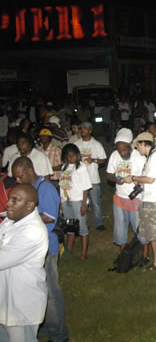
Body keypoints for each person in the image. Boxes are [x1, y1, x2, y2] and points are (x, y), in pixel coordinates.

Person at [11, 158, 69, 342]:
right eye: (15, 178)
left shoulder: (45, 188)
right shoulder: (29, 189)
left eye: (20, 177)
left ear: (29, 170)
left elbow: (50, 217)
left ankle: (59, 334)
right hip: (31, 249)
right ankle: (45, 325)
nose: (17, 181)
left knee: (51, 293)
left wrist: (22, 214)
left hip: (46, 249)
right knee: (37, 291)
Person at [0, 184, 48, 342]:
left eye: (15, 200)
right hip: (5, 300)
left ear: (30, 205)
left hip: (21, 306)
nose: (8, 203)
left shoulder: (32, 231)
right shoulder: (11, 220)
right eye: (10, 198)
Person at [125, 132, 156, 278]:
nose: (136, 149)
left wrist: (134, 177)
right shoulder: (150, 158)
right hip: (146, 199)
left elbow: (151, 179)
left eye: (137, 146)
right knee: (150, 233)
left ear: (143, 143)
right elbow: (148, 178)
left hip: (155, 200)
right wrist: (138, 180)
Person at [106, 128, 149, 259]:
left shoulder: (139, 157)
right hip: (119, 198)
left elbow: (146, 177)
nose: (122, 152)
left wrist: (136, 181)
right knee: (120, 229)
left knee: (140, 228)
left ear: (131, 144)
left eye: (124, 149)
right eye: (119, 150)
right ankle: (123, 255)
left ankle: (145, 255)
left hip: (135, 198)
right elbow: (109, 174)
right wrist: (115, 180)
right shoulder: (114, 155)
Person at [59, 143, 92, 260]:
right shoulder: (64, 167)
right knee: (70, 226)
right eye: (69, 156)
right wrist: (61, 202)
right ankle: (69, 248)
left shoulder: (81, 168)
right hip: (66, 201)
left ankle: (84, 252)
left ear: (78, 155)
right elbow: (62, 186)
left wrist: (84, 205)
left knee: (82, 227)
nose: (71, 158)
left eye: (73, 155)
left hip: (78, 201)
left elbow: (86, 188)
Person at [74, 122, 107, 231]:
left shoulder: (96, 144)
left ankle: (98, 223)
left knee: (95, 202)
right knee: (83, 202)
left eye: (85, 128)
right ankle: (84, 223)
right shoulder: (77, 144)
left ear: (90, 131)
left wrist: (93, 160)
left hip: (93, 178)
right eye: (81, 128)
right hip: (80, 178)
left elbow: (103, 160)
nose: (82, 130)